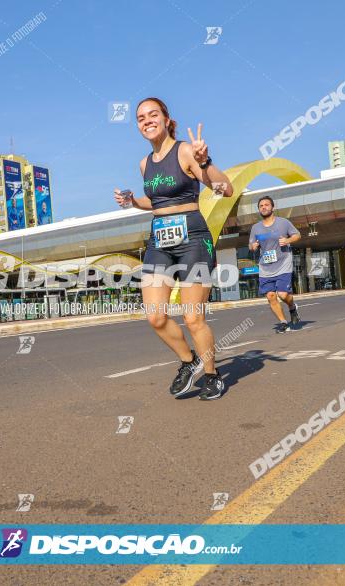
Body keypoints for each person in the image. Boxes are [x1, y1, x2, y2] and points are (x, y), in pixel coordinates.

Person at [113, 97, 233, 401]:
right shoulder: (144, 164)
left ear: (167, 120)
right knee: (155, 316)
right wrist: (131, 201)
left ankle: (211, 374)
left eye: (153, 115)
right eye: (141, 118)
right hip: (159, 241)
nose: (147, 121)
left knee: (193, 317)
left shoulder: (185, 151)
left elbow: (225, 188)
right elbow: (156, 203)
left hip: (193, 237)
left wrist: (205, 162)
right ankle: (187, 360)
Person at [249, 196, 301, 333]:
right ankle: (283, 322)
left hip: (283, 262)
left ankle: (292, 307)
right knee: (271, 296)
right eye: (261, 206)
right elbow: (251, 244)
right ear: (259, 209)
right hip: (265, 265)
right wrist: (253, 246)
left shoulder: (283, 223)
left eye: (266, 205)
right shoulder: (255, 228)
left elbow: (297, 235)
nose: (264, 207)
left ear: (272, 207)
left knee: (283, 294)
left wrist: (288, 240)